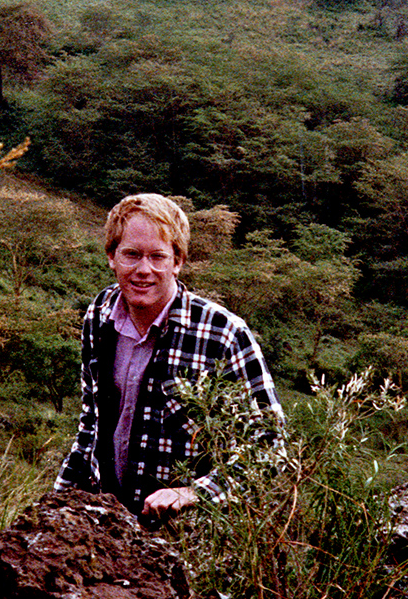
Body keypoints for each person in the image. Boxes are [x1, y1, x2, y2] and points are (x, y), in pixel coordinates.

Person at [54, 193, 284, 523]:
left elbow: (270, 448)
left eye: (157, 257)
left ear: (177, 261)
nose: (143, 270)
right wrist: (56, 504)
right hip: (109, 524)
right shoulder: (99, 315)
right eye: (131, 255)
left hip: (186, 537)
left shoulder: (222, 334)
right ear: (111, 256)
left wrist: (194, 493)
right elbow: (91, 423)